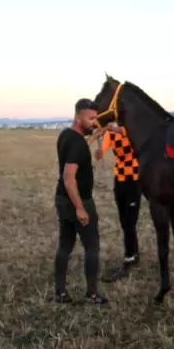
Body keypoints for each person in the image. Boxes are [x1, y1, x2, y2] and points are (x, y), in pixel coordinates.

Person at [53, 98, 108, 305]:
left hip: (61, 199)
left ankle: (60, 293)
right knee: (92, 247)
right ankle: (92, 295)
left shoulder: (67, 135)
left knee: (65, 245)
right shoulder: (77, 143)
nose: (95, 121)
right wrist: (80, 208)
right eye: (91, 118)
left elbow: (79, 150)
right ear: (78, 118)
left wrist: (94, 136)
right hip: (79, 201)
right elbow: (69, 177)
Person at [90, 123, 143, 282]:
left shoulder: (131, 129)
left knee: (129, 221)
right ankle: (134, 253)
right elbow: (102, 151)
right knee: (124, 220)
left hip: (134, 179)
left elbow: (122, 130)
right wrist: (99, 153)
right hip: (119, 179)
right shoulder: (110, 134)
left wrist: (110, 128)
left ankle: (129, 258)